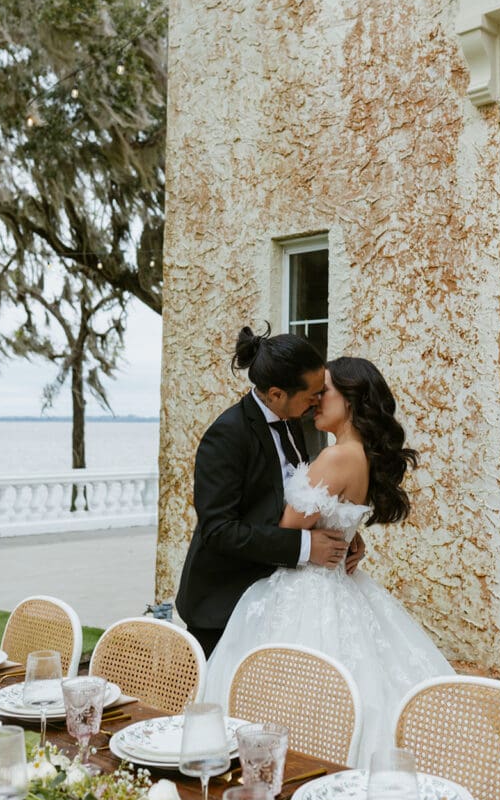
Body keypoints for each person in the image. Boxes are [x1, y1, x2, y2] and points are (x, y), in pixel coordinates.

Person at [204, 355, 454, 766]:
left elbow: (288, 525)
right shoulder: (358, 454)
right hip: (336, 583)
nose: (317, 400)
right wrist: (347, 538)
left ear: (351, 400)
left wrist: (319, 536)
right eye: (315, 393)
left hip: (306, 590)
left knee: (296, 701)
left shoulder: (336, 457)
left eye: (326, 392)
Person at [176, 326, 365, 659]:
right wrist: (307, 546)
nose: (318, 401)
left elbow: (296, 498)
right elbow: (219, 530)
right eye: (312, 394)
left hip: (274, 597)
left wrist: (338, 532)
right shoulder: (226, 436)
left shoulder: (292, 420)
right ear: (277, 394)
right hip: (223, 603)